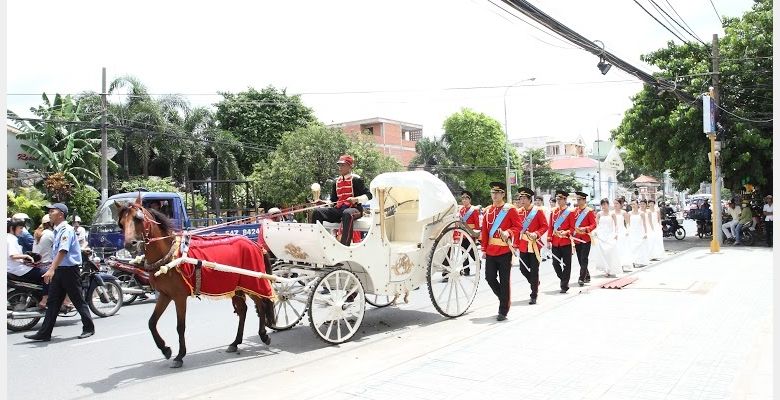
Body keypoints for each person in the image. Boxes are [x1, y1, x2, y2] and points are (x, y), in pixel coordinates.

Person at [25, 203, 95, 342]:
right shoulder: (57, 230)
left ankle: (88, 328)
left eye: (53, 211)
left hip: (69, 271)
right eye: (49, 211)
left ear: (61, 214)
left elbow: (63, 251)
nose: (50, 213)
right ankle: (44, 333)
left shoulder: (66, 230)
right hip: (59, 270)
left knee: (77, 300)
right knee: (53, 302)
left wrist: (51, 269)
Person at [480, 182, 522, 321]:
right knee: (489, 278)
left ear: (503, 194)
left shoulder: (510, 209)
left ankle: (503, 310)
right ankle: (504, 298)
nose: (495, 195)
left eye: (497, 192)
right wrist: (484, 249)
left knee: (504, 281)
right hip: (491, 250)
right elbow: (485, 232)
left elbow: (518, 226)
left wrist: (508, 232)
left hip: (504, 250)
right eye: (493, 192)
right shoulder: (487, 210)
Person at [310, 155, 372, 246]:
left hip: (355, 210)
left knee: (347, 213)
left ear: (350, 167)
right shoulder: (336, 182)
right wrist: (324, 202)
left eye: (343, 165)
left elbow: (369, 195)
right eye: (339, 165)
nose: (340, 168)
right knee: (317, 212)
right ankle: (318, 242)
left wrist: (356, 199)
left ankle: (344, 245)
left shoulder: (356, 180)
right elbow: (333, 201)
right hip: (339, 210)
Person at [513, 187, 549, 305]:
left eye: (524, 198)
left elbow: (544, 226)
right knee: (523, 269)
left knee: (534, 270)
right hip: (523, 245)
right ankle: (535, 282)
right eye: (520, 198)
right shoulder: (518, 212)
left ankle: (534, 294)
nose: (522, 200)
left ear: (529, 199)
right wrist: (515, 245)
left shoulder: (537, 211)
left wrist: (536, 234)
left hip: (534, 245)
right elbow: (517, 230)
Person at [8, 218, 49, 309]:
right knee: (47, 273)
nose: (22, 231)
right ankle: (44, 300)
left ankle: (36, 297)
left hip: (14, 268)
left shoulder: (8, 238)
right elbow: (13, 255)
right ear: (12, 228)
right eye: (20, 228)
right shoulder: (11, 239)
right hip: (18, 269)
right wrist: (26, 257)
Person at [443, 190, 480, 281]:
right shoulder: (461, 210)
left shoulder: (473, 210)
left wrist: (476, 235)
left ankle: (478, 262)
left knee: (471, 251)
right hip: (462, 234)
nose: (464, 200)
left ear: (470, 199)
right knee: (463, 252)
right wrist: (456, 235)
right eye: (462, 198)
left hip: (470, 233)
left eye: (466, 198)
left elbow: (477, 224)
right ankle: (466, 270)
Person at [547, 190, 574, 293]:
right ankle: (563, 279)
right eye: (557, 199)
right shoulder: (553, 211)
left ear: (565, 199)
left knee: (567, 264)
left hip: (565, 242)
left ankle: (564, 285)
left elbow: (572, 228)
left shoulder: (570, 212)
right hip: (555, 242)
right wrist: (549, 239)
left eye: (560, 199)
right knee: (555, 263)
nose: (558, 201)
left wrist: (566, 232)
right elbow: (551, 226)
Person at [590, 198, 621, 278]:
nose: (603, 206)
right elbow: (596, 224)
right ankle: (606, 269)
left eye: (605, 204)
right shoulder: (599, 214)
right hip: (601, 235)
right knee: (603, 252)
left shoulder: (612, 214)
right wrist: (595, 232)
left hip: (610, 235)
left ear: (608, 204)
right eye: (602, 204)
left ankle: (611, 268)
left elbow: (616, 225)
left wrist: (616, 233)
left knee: (610, 251)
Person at [572, 192, 596, 286]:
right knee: (579, 259)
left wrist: (586, 229)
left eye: (579, 199)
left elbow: (594, 224)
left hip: (586, 238)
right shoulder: (574, 211)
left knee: (584, 258)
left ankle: (581, 277)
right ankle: (587, 275)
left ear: (584, 200)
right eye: (577, 199)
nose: (578, 201)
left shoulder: (589, 211)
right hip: (577, 238)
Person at [627, 199, 650, 267]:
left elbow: (644, 224)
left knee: (640, 246)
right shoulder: (629, 213)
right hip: (632, 231)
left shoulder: (641, 214)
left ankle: (640, 261)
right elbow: (628, 223)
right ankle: (633, 261)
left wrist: (645, 233)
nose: (633, 205)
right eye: (632, 204)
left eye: (634, 204)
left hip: (639, 231)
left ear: (637, 204)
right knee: (632, 246)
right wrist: (628, 231)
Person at [612, 198, 632, 271]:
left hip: (622, 231)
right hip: (614, 231)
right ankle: (615, 264)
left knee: (622, 248)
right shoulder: (612, 212)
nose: (615, 205)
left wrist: (627, 231)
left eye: (617, 203)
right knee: (615, 248)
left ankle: (622, 264)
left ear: (620, 204)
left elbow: (627, 223)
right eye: (614, 203)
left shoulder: (623, 212)